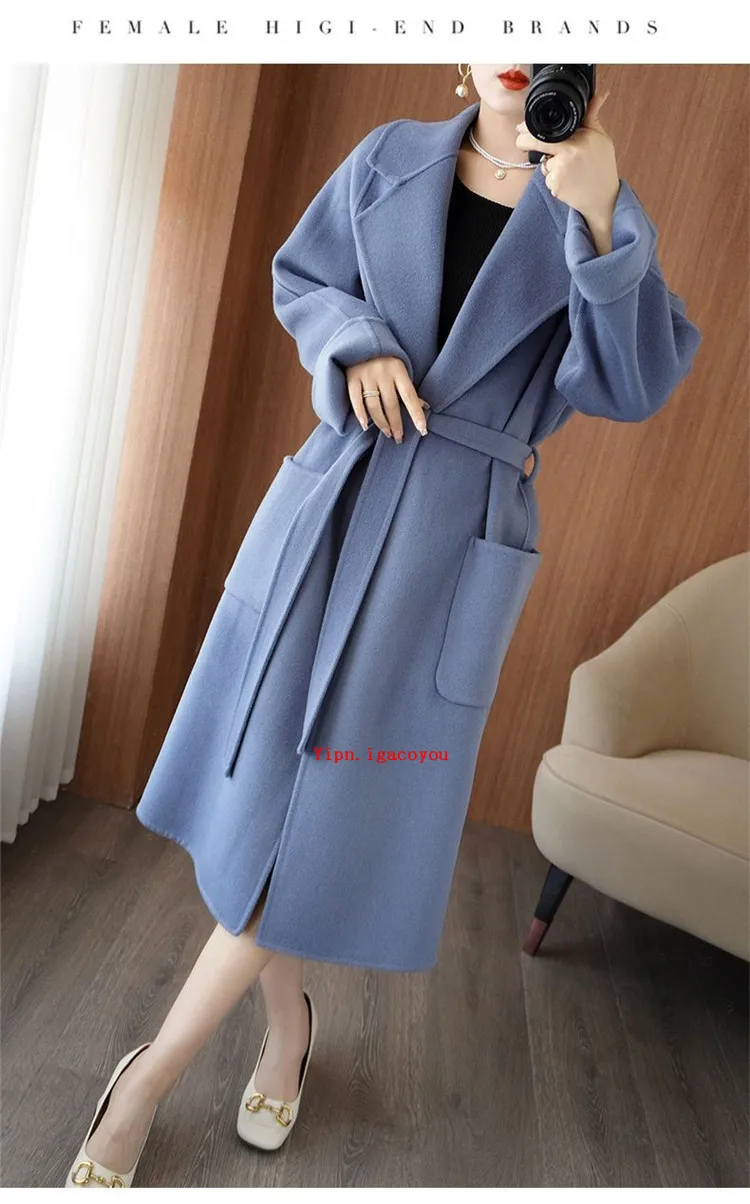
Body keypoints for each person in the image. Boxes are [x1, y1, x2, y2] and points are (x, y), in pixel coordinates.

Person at [65, 64, 702, 1189]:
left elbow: (633, 383)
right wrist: (353, 338)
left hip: (446, 555)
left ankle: (147, 1080)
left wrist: (601, 216)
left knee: (319, 815)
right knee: (270, 800)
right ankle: (288, 1027)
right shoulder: (391, 156)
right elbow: (303, 276)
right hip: (331, 504)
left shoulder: (602, 204)